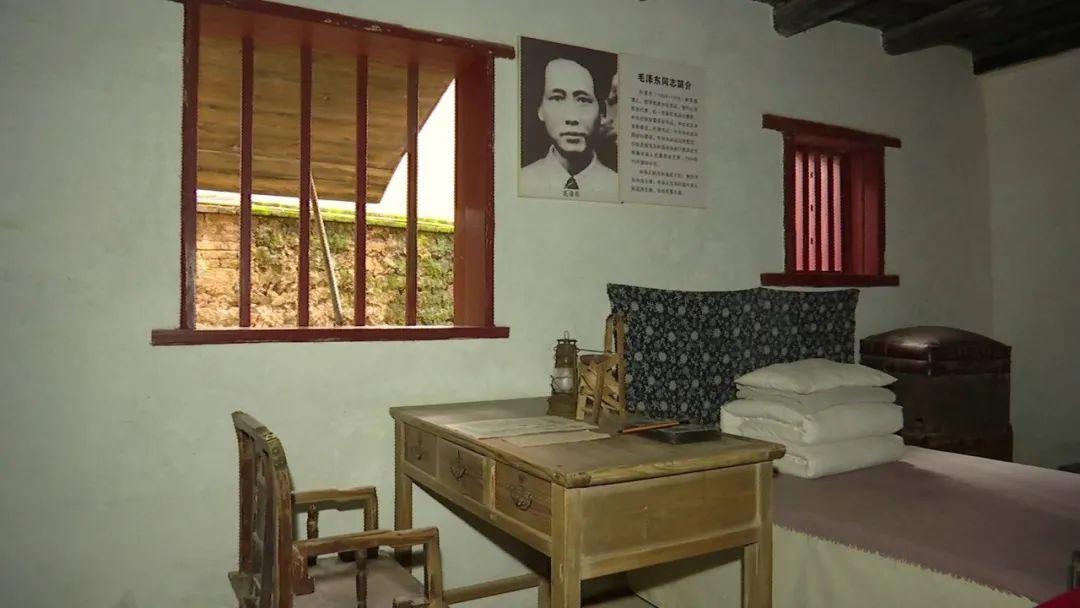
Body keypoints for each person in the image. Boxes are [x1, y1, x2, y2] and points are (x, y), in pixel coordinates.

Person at [520, 58, 617, 201]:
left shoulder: (617, 186)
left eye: (583, 100)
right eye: (557, 98)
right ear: (540, 109)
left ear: (602, 112)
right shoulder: (523, 181)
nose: (572, 118)